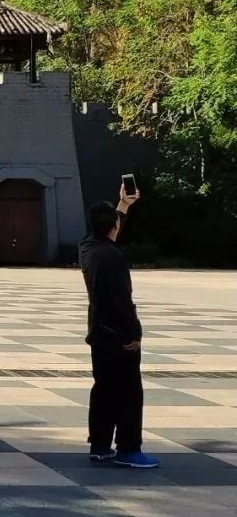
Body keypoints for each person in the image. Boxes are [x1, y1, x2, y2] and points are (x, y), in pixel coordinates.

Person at [79, 191, 158, 469]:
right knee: (129, 393)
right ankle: (128, 448)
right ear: (113, 226)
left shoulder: (88, 247)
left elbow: (107, 230)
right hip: (117, 335)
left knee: (104, 389)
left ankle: (100, 444)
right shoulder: (112, 257)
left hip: (98, 332)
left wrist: (123, 205)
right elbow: (121, 301)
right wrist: (134, 334)